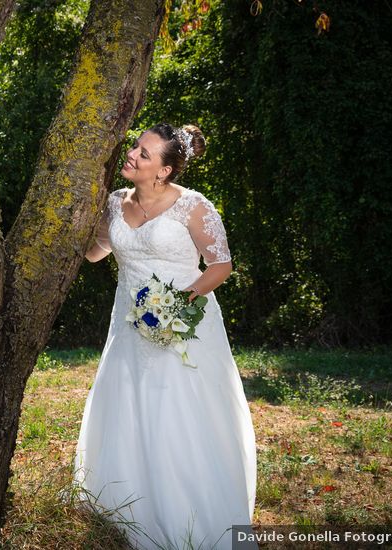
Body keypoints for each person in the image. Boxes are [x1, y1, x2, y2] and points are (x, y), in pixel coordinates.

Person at [74, 124, 256, 549]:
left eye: (145, 153)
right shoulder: (115, 202)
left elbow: (220, 265)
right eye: (136, 146)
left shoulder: (193, 206)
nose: (133, 154)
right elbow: (95, 253)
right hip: (128, 322)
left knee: (177, 407)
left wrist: (177, 304)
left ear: (164, 171)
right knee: (128, 402)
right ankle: (125, 507)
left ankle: (188, 511)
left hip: (183, 322)